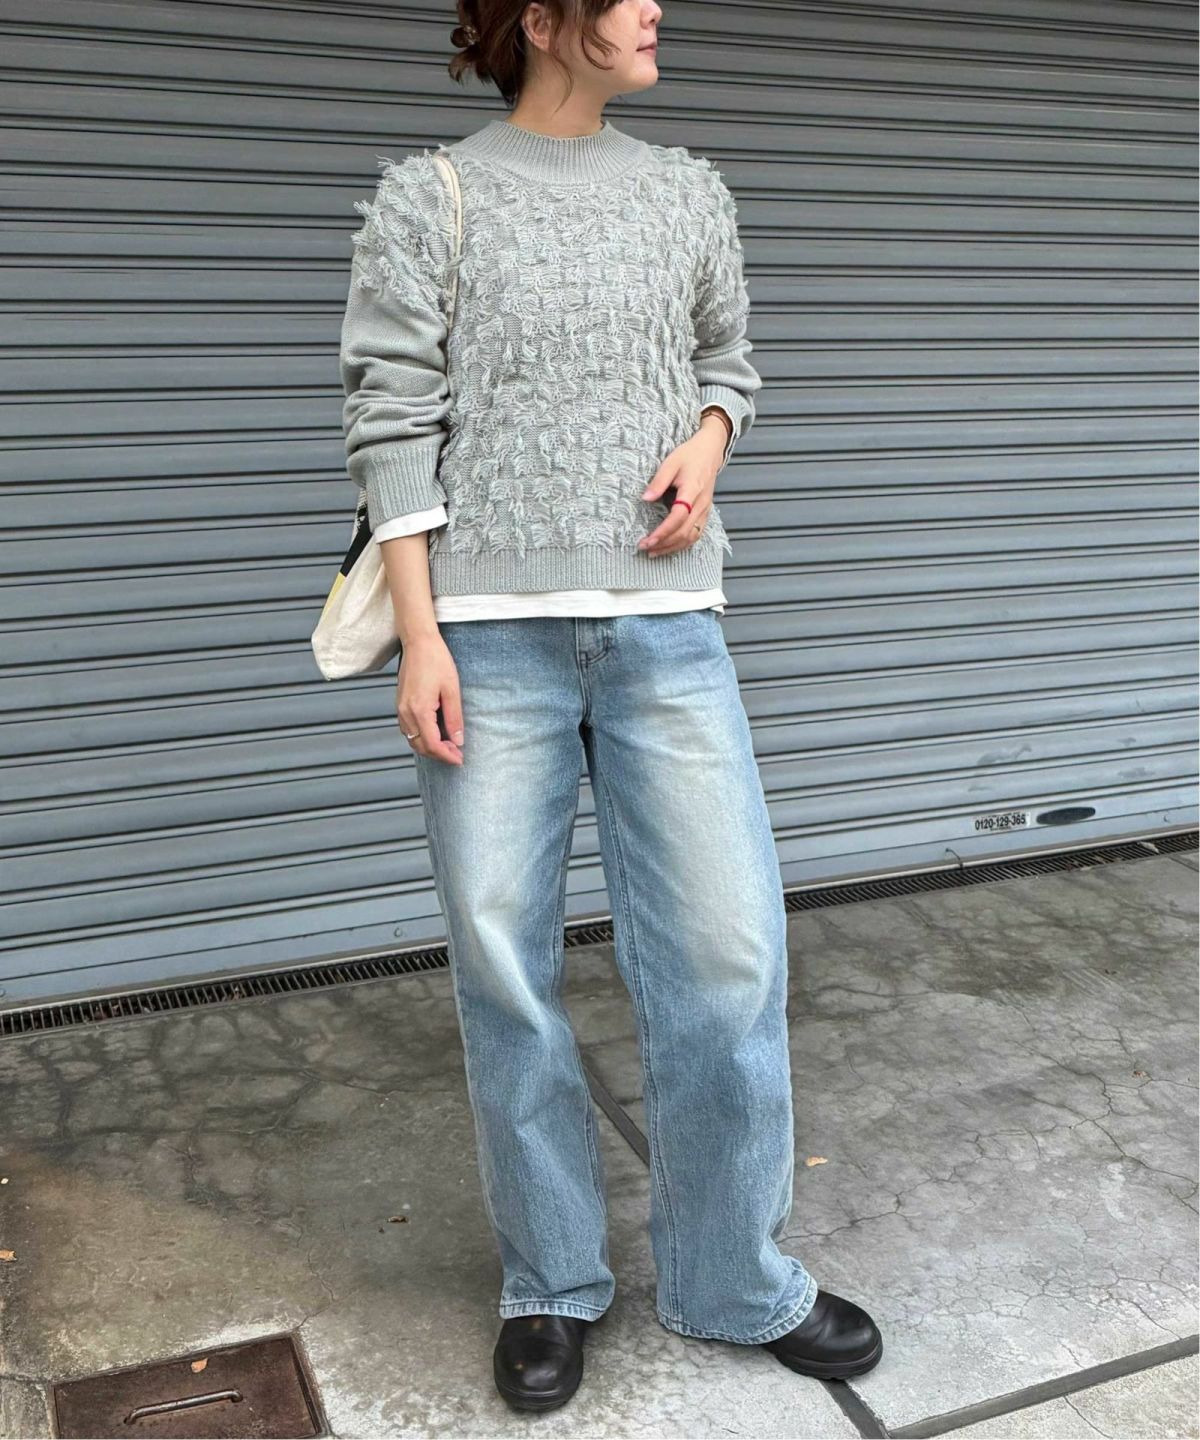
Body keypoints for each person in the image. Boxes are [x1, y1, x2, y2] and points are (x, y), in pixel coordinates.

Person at [338, 0, 883, 1412]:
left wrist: (709, 441)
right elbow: (390, 415)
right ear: (543, 20)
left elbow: (728, 362)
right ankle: (549, 1281)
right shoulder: (432, 196)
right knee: (505, 969)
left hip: (667, 629)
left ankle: (732, 1276)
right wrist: (421, 639)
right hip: (487, 638)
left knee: (729, 956)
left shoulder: (690, 191)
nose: (653, 10)